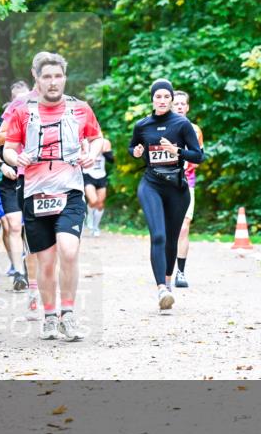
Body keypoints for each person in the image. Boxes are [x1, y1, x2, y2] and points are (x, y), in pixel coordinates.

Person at [3, 52, 103, 341]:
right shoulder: (23, 111)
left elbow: (97, 139)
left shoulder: (80, 109)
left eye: (58, 76)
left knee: (69, 251)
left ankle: (68, 315)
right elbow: (9, 147)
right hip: (35, 193)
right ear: (37, 78)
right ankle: (49, 317)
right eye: (46, 76)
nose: (53, 82)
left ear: (65, 78)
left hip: (70, 190)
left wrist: (92, 155)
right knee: (45, 262)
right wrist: (16, 159)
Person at [129, 79, 204, 310]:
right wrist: (136, 151)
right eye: (158, 97)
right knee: (158, 236)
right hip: (151, 184)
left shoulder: (182, 124)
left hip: (177, 188)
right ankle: (161, 288)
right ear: (152, 99)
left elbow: (199, 156)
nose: (162, 101)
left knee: (172, 239)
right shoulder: (142, 125)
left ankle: (168, 285)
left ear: (172, 100)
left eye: (166, 97)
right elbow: (132, 147)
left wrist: (177, 151)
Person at [0, 83, 32, 294]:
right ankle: (19, 272)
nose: (20, 102)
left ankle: (33, 267)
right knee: (13, 226)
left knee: (32, 228)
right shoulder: (1, 122)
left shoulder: (41, 113)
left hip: (33, 176)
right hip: (8, 177)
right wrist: (2, 165)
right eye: (16, 99)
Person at [172, 91, 203, 287]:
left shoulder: (195, 129)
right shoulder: (160, 127)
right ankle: (164, 270)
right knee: (167, 231)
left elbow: (199, 158)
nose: (180, 106)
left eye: (184, 103)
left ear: (188, 107)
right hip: (163, 183)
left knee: (183, 228)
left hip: (186, 182)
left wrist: (183, 157)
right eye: (177, 104)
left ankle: (180, 273)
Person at [83, 137, 113, 236]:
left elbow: (112, 160)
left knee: (100, 204)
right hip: (88, 175)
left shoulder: (105, 142)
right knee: (93, 201)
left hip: (101, 176)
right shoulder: (83, 142)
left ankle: (95, 228)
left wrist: (105, 152)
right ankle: (90, 217)